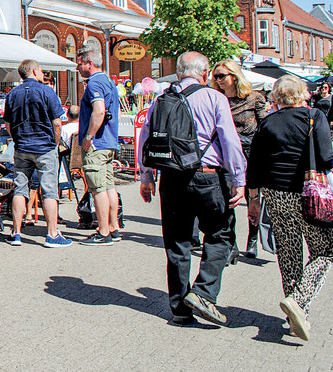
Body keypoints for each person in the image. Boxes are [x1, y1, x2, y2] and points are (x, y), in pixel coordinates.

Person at [137, 51, 246, 326]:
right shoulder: (215, 98)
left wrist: (146, 176)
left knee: (177, 242)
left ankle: (180, 311)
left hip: (171, 177)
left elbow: (146, 138)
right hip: (207, 176)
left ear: (178, 73)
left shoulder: (161, 100)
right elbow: (230, 141)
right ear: (206, 72)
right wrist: (239, 179)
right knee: (220, 235)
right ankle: (204, 293)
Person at [246, 75, 333, 341]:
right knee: (325, 250)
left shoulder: (268, 122)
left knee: (288, 252)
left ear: (276, 97)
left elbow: (255, 165)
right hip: (308, 193)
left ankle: (296, 312)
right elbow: (326, 157)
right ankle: (300, 300)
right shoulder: (313, 116)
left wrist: (253, 199)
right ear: (303, 94)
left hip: (275, 193)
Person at [3, 59, 71, 248]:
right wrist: (55, 143)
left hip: (22, 146)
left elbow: (8, 124)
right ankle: (52, 233)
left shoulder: (12, 94)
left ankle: (16, 232)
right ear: (34, 71)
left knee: (20, 188)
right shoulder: (47, 91)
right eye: (41, 71)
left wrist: (17, 138)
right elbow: (57, 122)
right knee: (49, 190)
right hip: (44, 146)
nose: (42, 74)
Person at [210, 59, 268, 259]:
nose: (218, 80)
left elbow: (264, 128)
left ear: (234, 76)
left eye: (222, 76)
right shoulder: (217, 99)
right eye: (216, 77)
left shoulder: (254, 98)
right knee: (228, 199)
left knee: (252, 197)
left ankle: (253, 239)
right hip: (227, 155)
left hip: (251, 153)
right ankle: (231, 243)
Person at [76, 44, 122, 245]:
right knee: (109, 186)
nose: (78, 67)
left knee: (98, 188)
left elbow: (99, 111)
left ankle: (103, 231)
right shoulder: (108, 82)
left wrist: (88, 137)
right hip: (109, 141)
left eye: (80, 64)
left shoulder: (94, 83)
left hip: (97, 143)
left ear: (89, 63)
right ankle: (113, 226)